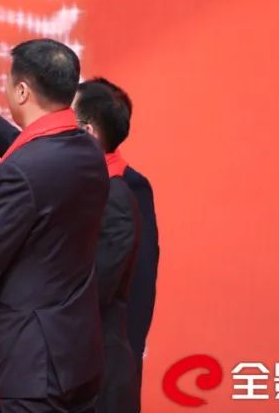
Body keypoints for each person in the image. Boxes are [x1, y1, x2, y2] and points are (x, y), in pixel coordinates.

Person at [0, 39, 108, 413]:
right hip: (79, 355)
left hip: (34, 364)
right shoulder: (88, 152)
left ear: (21, 91)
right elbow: (33, 148)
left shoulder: (21, 170)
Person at [87, 78, 159, 404]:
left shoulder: (130, 186)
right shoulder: (68, 179)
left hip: (108, 360)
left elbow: (142, 276)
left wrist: (131, 349)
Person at [74, 81, 141, 413]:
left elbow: (95, 291)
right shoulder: (82, 188)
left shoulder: (114, 198)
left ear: (87, 132)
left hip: (98, 380)